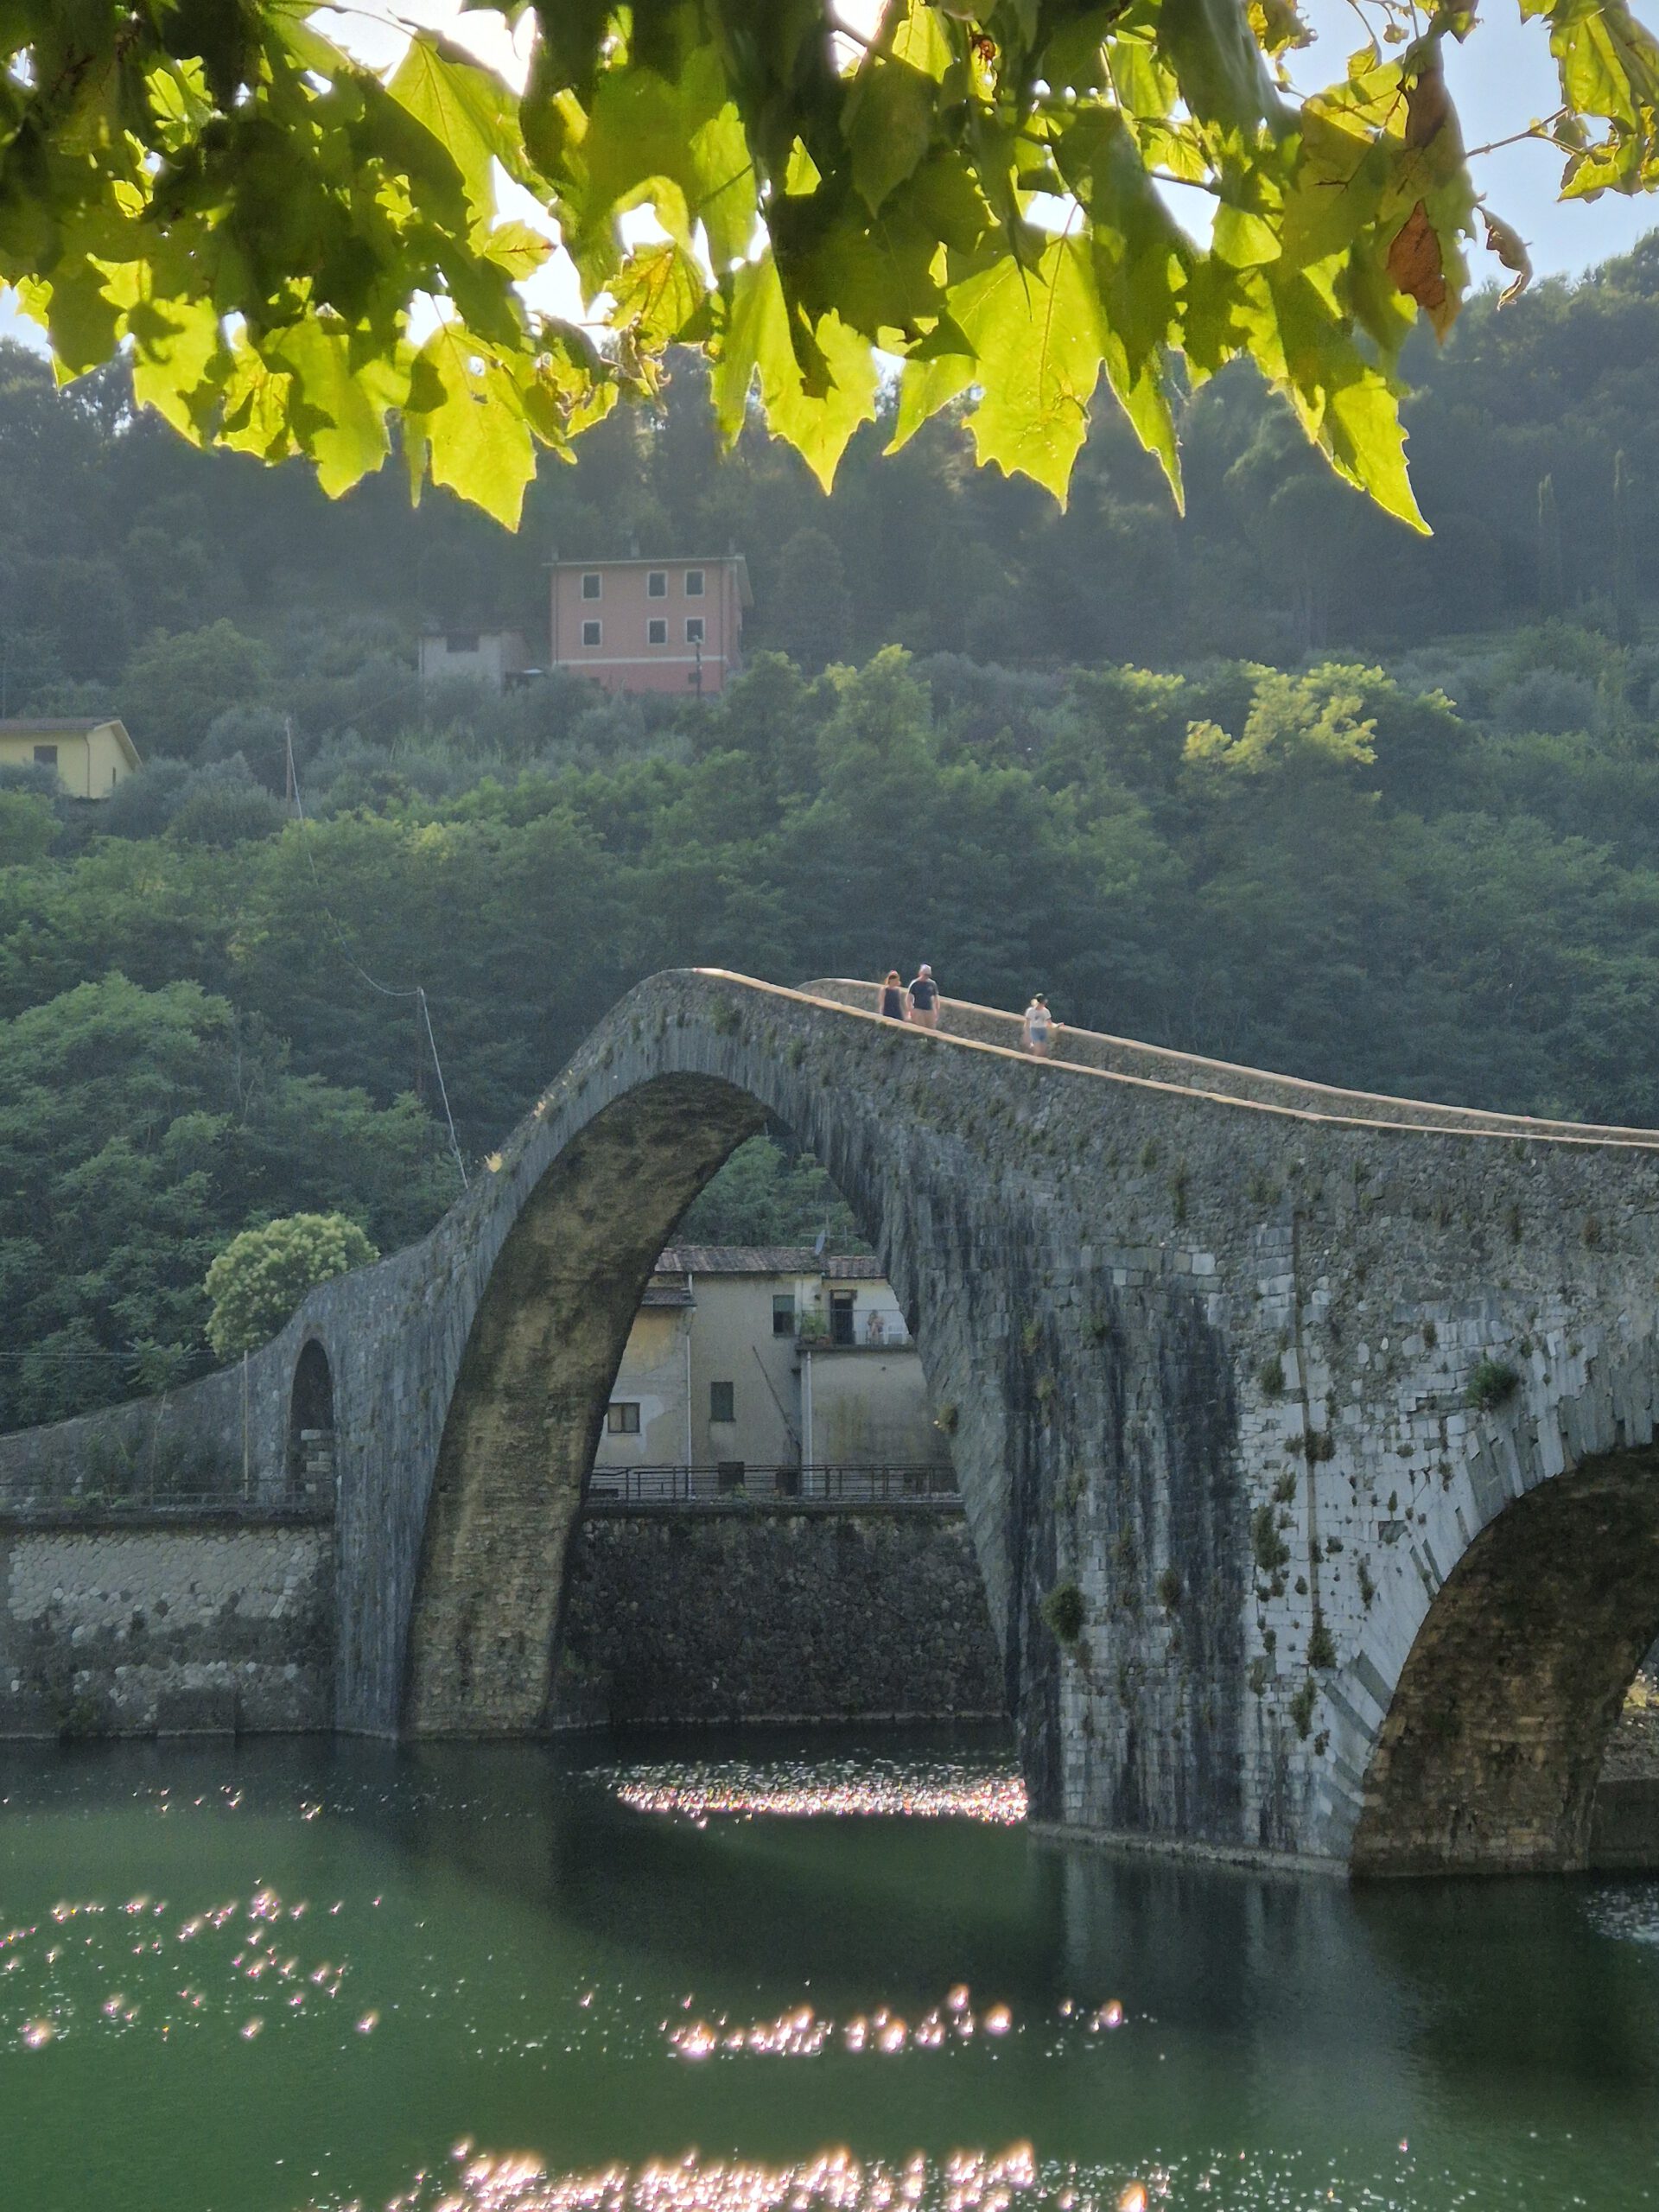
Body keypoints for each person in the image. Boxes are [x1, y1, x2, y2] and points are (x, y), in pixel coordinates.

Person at [906, 963, 940, 1030]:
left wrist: (937, 1011)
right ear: (920, 973)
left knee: (932, 1029)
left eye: (928, 975)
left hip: (929, 1009)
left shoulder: (932, 984)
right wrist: (910, 1010)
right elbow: (908, 998)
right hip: (918, 1009)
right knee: (921, 1028)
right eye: (925, 975)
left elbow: (936, 998)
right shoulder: (915, 983)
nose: (926, 977)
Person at [1023, 992, 1056, 1058]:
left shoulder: (1046, 1011)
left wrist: (1057, 1026)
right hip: (1034, 1030)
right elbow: (1027, 1023)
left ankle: (1037, 1060)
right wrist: (1026, 1034)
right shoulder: (1031, 1011)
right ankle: (1034, 1061)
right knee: (1038, 1050)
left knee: (1043, 1051)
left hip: (1043, 1030)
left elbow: (1049, 1023)